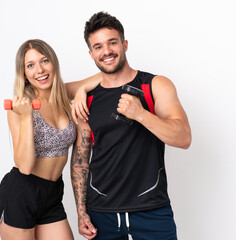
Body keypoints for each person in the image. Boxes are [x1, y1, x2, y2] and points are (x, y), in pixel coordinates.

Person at [70, 12, 192, 240]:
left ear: (125, 44)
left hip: (152, 212)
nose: (106, 51)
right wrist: (80, 212)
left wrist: (140, 114)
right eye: (98, 46)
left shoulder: (154, 85)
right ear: (91, 53)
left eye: (112, 43)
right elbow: (80, 160)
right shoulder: (88, 99)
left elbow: (184, 138)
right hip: (101, 215)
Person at [0, 39, 101, 240]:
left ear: (53, 63)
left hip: (52, 194)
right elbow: (24, 166)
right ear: (24, 73)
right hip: (21, 193)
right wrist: (25, 117)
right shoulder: (20, 108)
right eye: (30, 65)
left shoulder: (63, 95)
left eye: (44, 61)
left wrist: (82, 90)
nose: (39, 70)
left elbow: (102, 78)